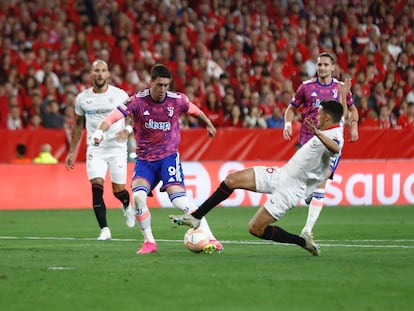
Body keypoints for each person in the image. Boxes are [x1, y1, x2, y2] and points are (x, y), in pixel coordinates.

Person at [170, 100, 345, 256]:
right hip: (281, 174)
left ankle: (302, 242)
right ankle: (197, 216)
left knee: (255, 228)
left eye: (320, 114)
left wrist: (316, 132)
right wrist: (342, 97)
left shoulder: (333, 136)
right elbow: (341, 114)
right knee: (232, 180)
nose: (317, 118)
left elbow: (335, 149)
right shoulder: (334, 127)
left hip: (292, 188)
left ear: (328, 118)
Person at [92, 63, 223, 254]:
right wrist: (99, 132)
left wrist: (209, 124)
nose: (162, 89)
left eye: (166, 85)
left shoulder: (177, 100)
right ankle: (149, 242)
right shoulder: (137, 101)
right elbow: (112, 117)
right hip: (145, 161)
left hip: (168, 157)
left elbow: (195, 110)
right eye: (159, 85)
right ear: (150, 82)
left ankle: (212, 238)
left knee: (180, 201)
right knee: (137, 197)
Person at [282, 52, 359, 239]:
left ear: (333, 67)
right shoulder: (306, 87)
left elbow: (352, 109)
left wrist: (354, 127)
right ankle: (308, 194)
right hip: (309, 140)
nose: (322, 67)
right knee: (301, 180)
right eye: (319, 64)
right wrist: (288, 124)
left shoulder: (340, 88)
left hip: (331, 140)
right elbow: (291, 108)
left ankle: (307, 230)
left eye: (325, 64)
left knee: (321, 182)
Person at [65, 59, 136, 241]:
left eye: (103, 70)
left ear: (108, 74)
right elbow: (78, 125)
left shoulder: (119, 95)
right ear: (91, 74)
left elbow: (131, 116)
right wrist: (72, 151)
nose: (99, 74)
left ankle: (127, 205)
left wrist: (127, 131)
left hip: (117, 148)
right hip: (95, 148)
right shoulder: (82, 99)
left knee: (118, 190)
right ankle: (105, 229)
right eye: (96, 70)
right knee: (96, 186)